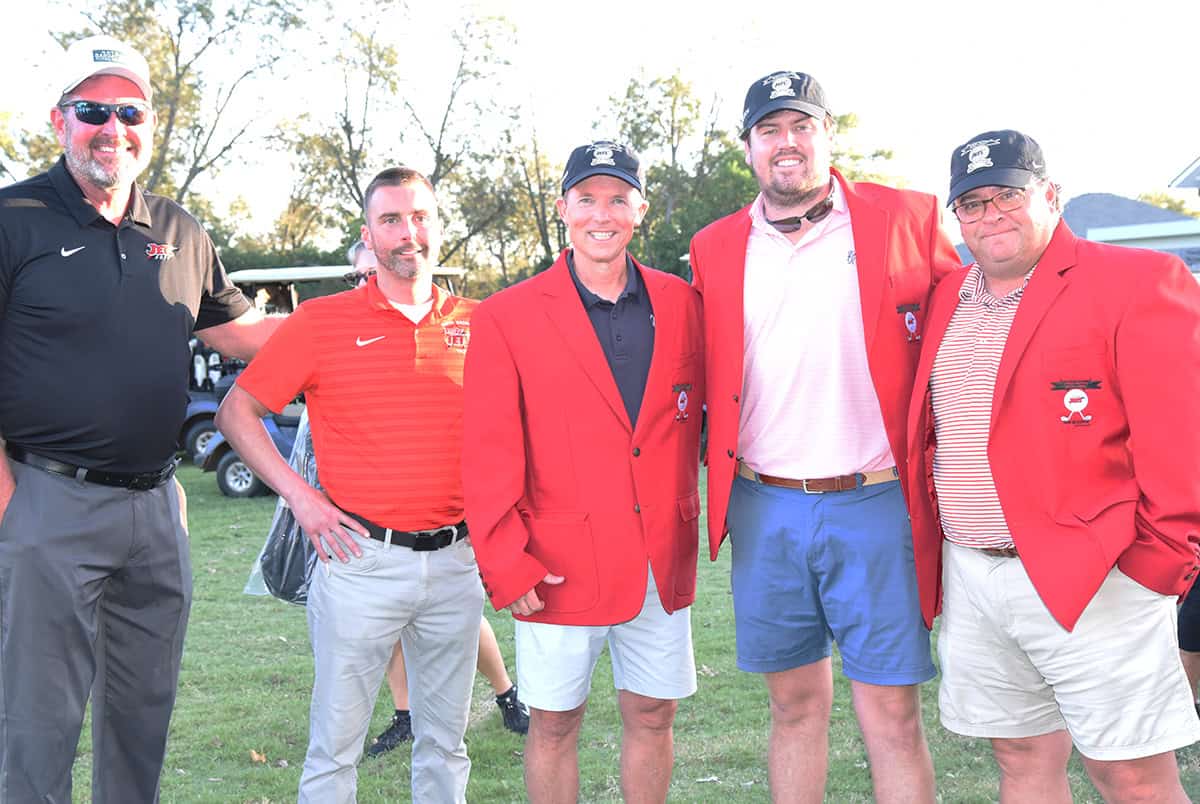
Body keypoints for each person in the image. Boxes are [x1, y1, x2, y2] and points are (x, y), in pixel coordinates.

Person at [0, 35, 278, 803]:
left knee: (142, 718)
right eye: (94, 109)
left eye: (130, 111)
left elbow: (238, 333)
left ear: (150, 125)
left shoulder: (181, 230)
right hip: (46, 501)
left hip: (158, 511)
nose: (112, 127)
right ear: (60, 120)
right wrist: (9, 498)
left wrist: (364, 320)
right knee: (37, 724)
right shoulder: (13, 217)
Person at [687, 71, 960, 803]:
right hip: (764, 502)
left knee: (893, 715)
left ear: (827, 134)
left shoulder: (906, 216)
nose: (787, 143)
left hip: (875, 500)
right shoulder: (713, 246)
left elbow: (967, 330)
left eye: (801, 126)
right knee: (793, 706)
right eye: (770, 130)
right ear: (748, 147)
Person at [906, 129, 1200, 803]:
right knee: (1020, 755)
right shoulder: (949, 296)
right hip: (976, 574)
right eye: (972, 204)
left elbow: (1182, 441)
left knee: (1129, 772)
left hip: (1097, 578)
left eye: (1007, 194)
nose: (990, 215)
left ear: (1049, 195)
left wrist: (1155, 571)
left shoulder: (1137, 281)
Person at [216, 167, 482, 803]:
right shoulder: (321, 321)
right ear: (369, 234)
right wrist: (302, 499)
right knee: (335, 751)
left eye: (419, 217)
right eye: (391, 219)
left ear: (438, 228)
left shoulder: (480, 323)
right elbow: (236, 413)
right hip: (360, 559)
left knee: (446, 746)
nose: (407, 232)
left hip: (456, 562)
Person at [462, 140, 704, 804]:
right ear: (564, 207)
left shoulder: (683, 303)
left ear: (640, 210)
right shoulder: (506, 316)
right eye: (589, 199)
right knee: (555, 725)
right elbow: (485, 455)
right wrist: (506, 564)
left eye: (619, 199)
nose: (604, 214)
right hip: (556, 565)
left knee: (654, 715)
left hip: (659, 558)